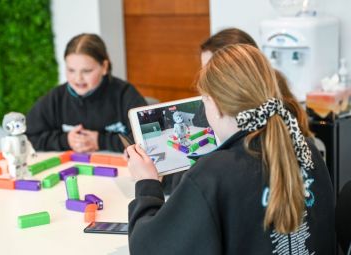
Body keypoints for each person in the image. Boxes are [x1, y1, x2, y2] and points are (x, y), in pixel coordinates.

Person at [126, 44, 335, 254]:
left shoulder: (214, 172)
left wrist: (147, 184)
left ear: (215, 106)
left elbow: (149, 248)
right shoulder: (306, 149)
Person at [162, 28, 312, 194]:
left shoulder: (234, 165)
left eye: (211, 71)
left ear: (237, 74)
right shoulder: (303, 146)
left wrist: (149, 184)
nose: (205, 80)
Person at [26, 33, 147, 152]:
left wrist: (100, 141)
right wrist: (65, 140)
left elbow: (148, 138)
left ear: (104, 67)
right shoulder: (56, 98)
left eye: (87, 71)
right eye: (71, 70)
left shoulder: (124, 94)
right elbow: (28, 135)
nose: (78, 78)